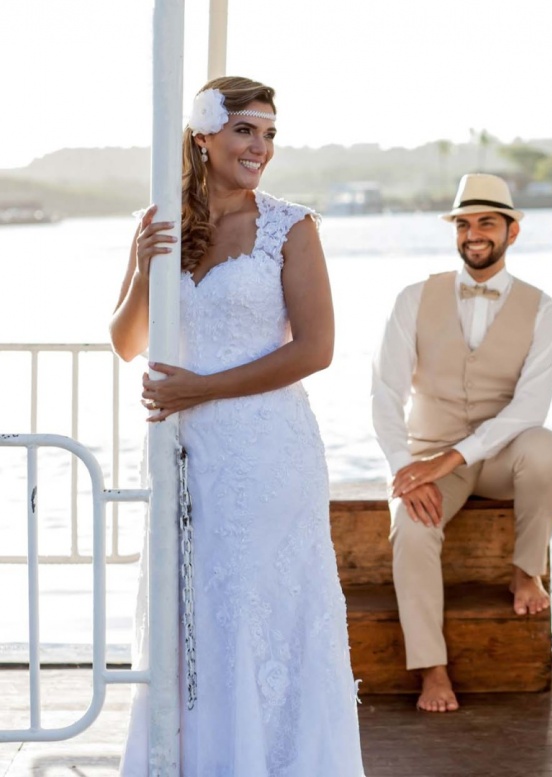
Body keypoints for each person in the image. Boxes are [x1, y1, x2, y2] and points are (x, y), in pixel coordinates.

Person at [109, 77, 364, 775]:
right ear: (204, 135)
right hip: (186, 456)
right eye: (247, 129)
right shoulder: (164, 222)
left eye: (270, 133)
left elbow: (315, 349)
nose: (261, 147)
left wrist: (203, 387)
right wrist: (140, 269)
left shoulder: (292, 227)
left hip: (267, 454)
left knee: (261, 612)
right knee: (190, 615)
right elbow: (127, 341)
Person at [372, 173, 552, 713]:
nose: (473, 233)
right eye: (464, 223)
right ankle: (432, 669)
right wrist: (404, 467)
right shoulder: (414, 298)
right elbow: (384, 392)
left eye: (486, 222)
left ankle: (526, 572)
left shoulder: (544, 310)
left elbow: (530, 407)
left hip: (501, 456)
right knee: (410, 530)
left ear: (512, 231)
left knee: (546, 447)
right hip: (430, 451)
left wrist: (452, 459)